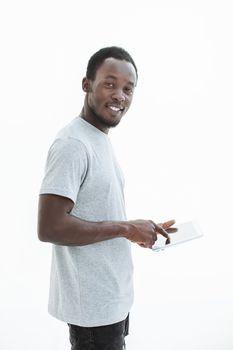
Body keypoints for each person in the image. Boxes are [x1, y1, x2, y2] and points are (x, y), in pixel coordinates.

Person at [37, 46, 176, 350]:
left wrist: (139, 230)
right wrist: (126, 229)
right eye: (110, 84)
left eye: (128, 88)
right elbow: (50, 227)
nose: (120, 96)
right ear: (87, 84)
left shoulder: (97, 137)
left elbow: (96, 209)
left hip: (111, 303)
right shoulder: (72, 144)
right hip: (94, 315)